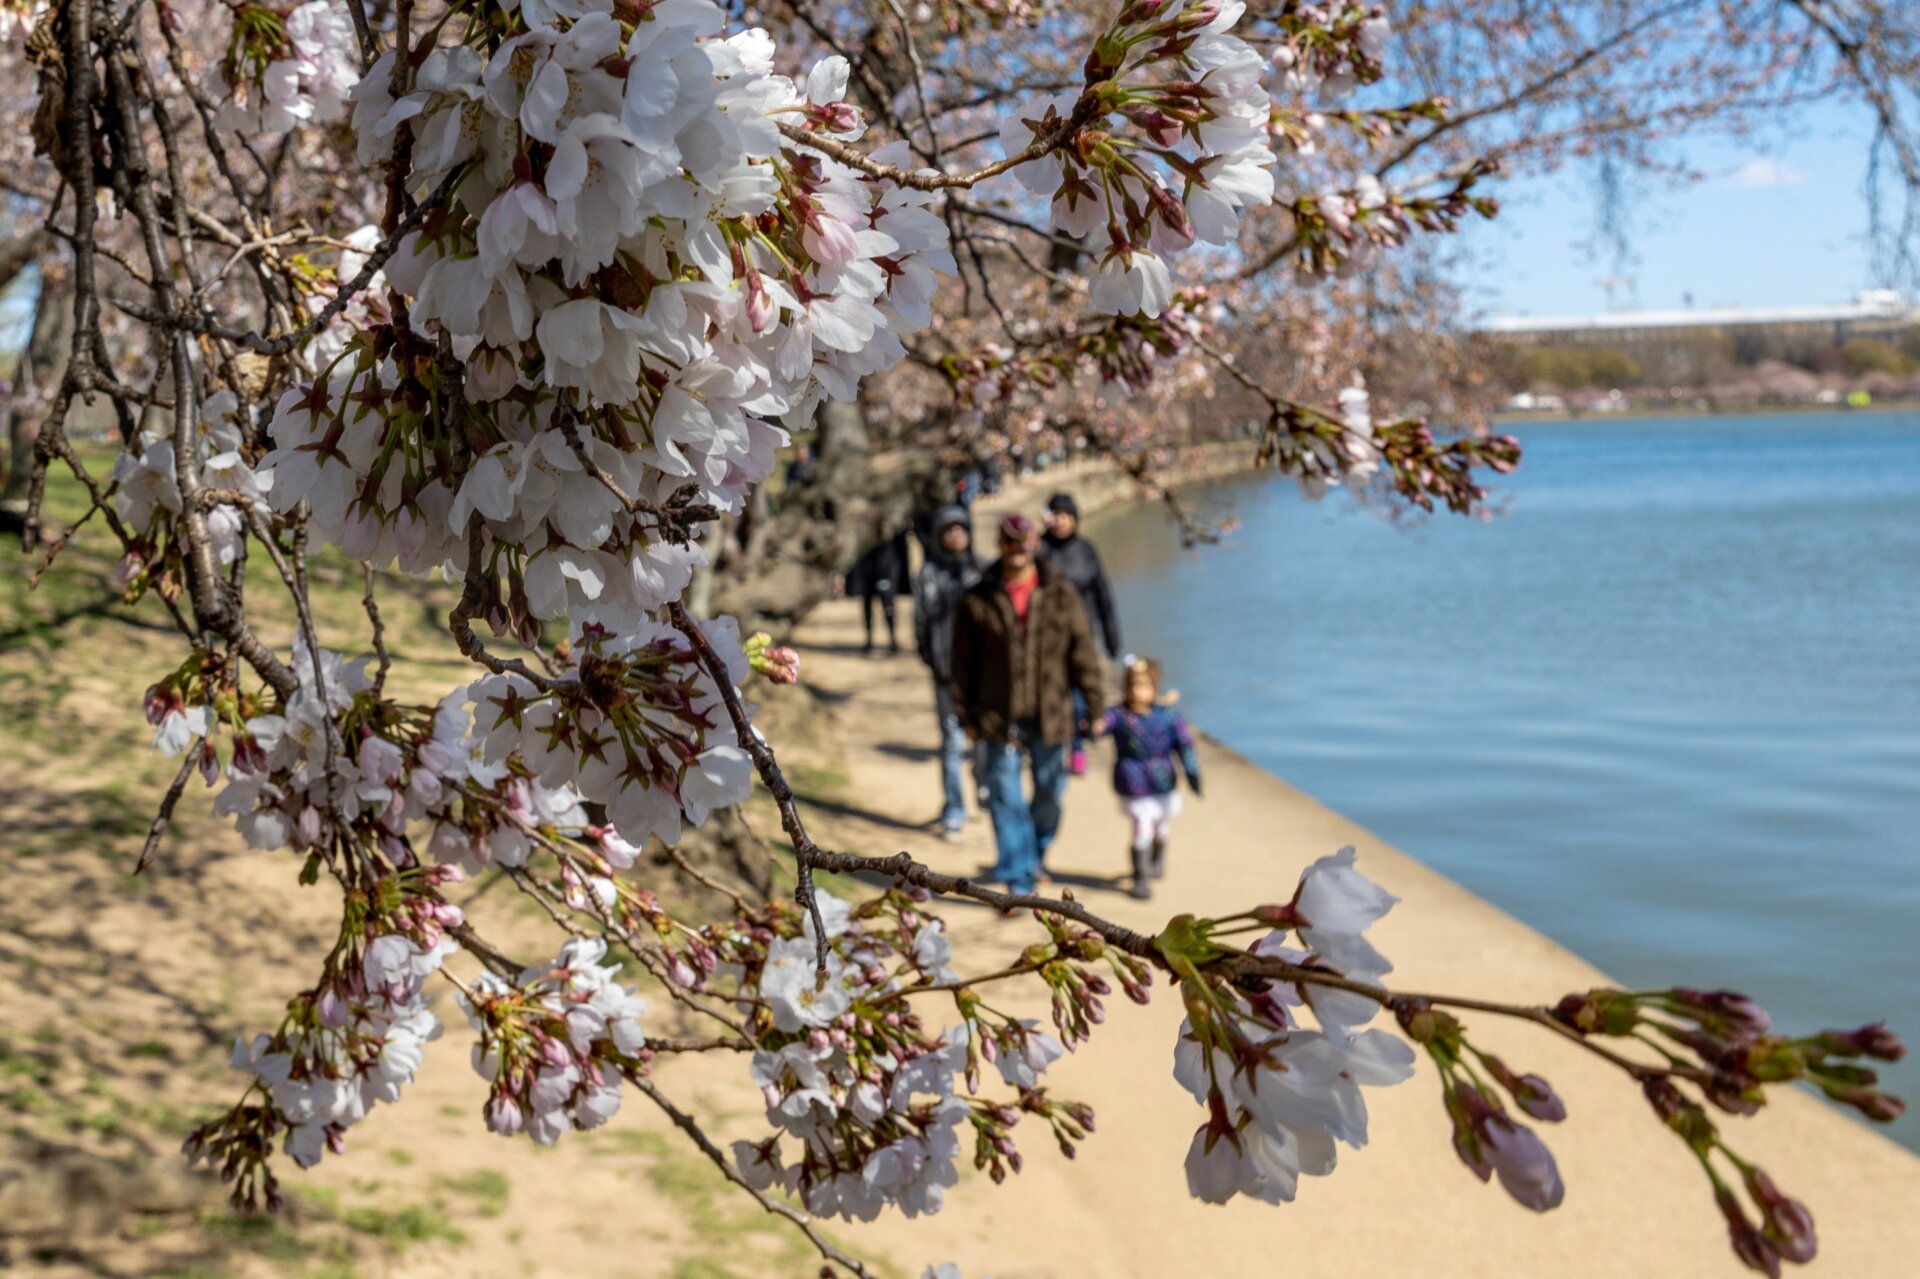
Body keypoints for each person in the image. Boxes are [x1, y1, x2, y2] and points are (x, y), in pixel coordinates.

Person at [949, 513, 1106, 896]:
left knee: (1051, 792)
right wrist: (963, 713)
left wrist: (1096, 706)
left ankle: (1035, 854)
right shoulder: (977, 596)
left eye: (1023, 542)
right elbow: (961, 662)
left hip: (1050, 711)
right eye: (1008, 541)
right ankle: (1018, 880)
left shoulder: (1060, 592)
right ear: (999, 545)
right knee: (1005, 797)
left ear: (1035, 544)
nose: (1016, 549)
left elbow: (1083, 652)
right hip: (995, 714)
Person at [1094, 657, 1201, 900]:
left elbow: (1184, 744)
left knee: (1161, 826)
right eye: (1132, 685)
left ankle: (1158, 854)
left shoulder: (1168, 716)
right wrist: (1093, 726)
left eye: (1143, 685)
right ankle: (1140, 875)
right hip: (1133, 782)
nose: (1137, 691)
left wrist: (1192, 772)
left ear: (1155, 687)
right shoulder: (1119, 715)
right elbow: (1101, 725)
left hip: (1162, 781)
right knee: (1141, 826)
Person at [913, 505, 984, 840]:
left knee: (984, 739)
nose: (956, 535)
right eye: (949, 529)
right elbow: (921, 627)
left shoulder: (981, 573)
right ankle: (954, 809)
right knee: (952, 744)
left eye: (961, 528)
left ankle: (985, 789)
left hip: (982, 676)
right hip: (946, 675)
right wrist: (935, 662)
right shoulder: (928, 575)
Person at [1038, 492, 1122, 777]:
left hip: (1083, 636)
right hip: (1047, 638)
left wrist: (1111, 636)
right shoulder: (1038, 551)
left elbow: (1102, 595)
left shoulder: (1086, 550)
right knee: (1059, 694)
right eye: (1056, 515)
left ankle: (1077, 744)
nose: (1061, 521)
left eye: (1066, 515)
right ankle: (1064, 745)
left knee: (1081, 694)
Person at [845, 530, 910, 654]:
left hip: (886, 561)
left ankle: (892, 639)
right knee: (867, 603)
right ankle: (869, 640)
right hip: (867, 560)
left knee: (888, 604)